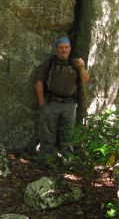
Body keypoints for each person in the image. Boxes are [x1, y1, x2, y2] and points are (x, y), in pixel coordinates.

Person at [35, 37, 89, 166]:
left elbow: (85, 79)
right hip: (50, 103)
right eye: (61, 47)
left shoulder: (75, 63)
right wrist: (41, 102)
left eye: (66, 47)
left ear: (70, 49)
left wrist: (82, 67)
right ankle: (45, 160)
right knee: (47, 134)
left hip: (69, 105)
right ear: (57, 49)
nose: (63, 50)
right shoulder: (49, 63)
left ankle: (68, 160)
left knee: (68, 134)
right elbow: (39, 82)